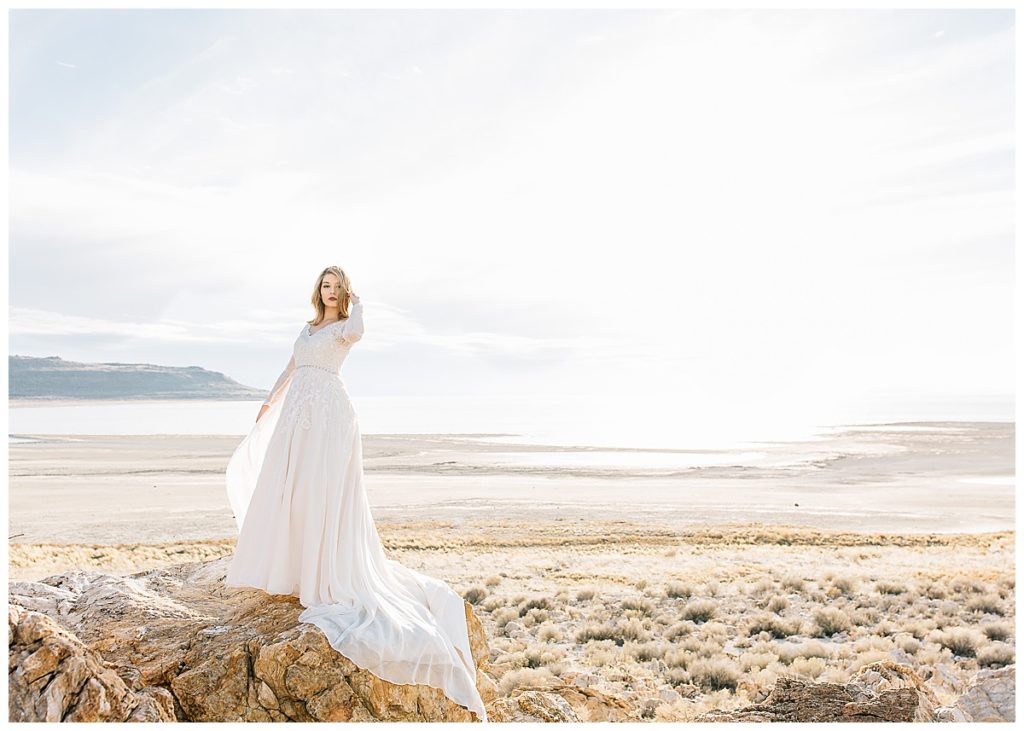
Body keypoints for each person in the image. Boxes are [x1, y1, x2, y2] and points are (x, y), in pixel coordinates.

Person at [224, 265, 487, 722]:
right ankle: (291, 566)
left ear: (343, 292)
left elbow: (362, 330)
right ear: (317, 290)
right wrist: (268, 401)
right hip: (297, 415)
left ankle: (320, 571)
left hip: (329, 414)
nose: (329, 293)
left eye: (336, 287)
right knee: (292, 490)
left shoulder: (348, 328)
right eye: (324, 286)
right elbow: (291, 366)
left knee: (321, 491)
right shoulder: (307, 329)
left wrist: (358, 301)